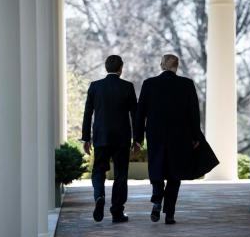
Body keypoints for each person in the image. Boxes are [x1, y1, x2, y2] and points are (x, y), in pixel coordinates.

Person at [134, 54, 202, 225]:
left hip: (155, 134)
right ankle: (169, 214)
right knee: (175, 173)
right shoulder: (186, 84)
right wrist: (195, 136)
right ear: (177, 66)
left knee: (156, 166)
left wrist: (138, 138)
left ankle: (157, 199)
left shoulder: (149, 84)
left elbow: (140, 113)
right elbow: (194, 113)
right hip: (180, 135)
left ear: (161, 65)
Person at [81, 55, 138, 223]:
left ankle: (99, 195)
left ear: (106, 68)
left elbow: (87, 113)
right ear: (121, 68)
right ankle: (117, 212)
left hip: (101, 137)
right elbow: (135, 115)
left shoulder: (95, 86)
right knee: (121, 174)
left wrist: (86, 138)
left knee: (98, 170)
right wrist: (137, 139)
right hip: (121, 138)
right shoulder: (127, 87)